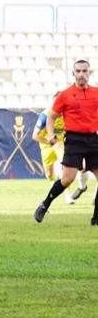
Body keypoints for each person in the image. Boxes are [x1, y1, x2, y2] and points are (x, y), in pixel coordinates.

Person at [34, 60, 98, 225]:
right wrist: (50, 134)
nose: (82, 74)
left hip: (93, 139)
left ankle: (96, 218)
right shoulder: (65, 95)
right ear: (73, 73)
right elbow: (52, 116)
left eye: (85, 71)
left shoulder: (96, 93)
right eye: (78, 71)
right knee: (67, 179)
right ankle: (44, 204)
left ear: (89, 73)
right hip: (74, 140)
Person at [32, 91, 88, 205]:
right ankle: (55, 182)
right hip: (46, 146)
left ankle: (68, 196)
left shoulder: (69, 115)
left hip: (60, 144)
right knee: (49, 175)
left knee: (65, 168)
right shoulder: (45, 115)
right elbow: (35, 136)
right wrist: (49, 142)